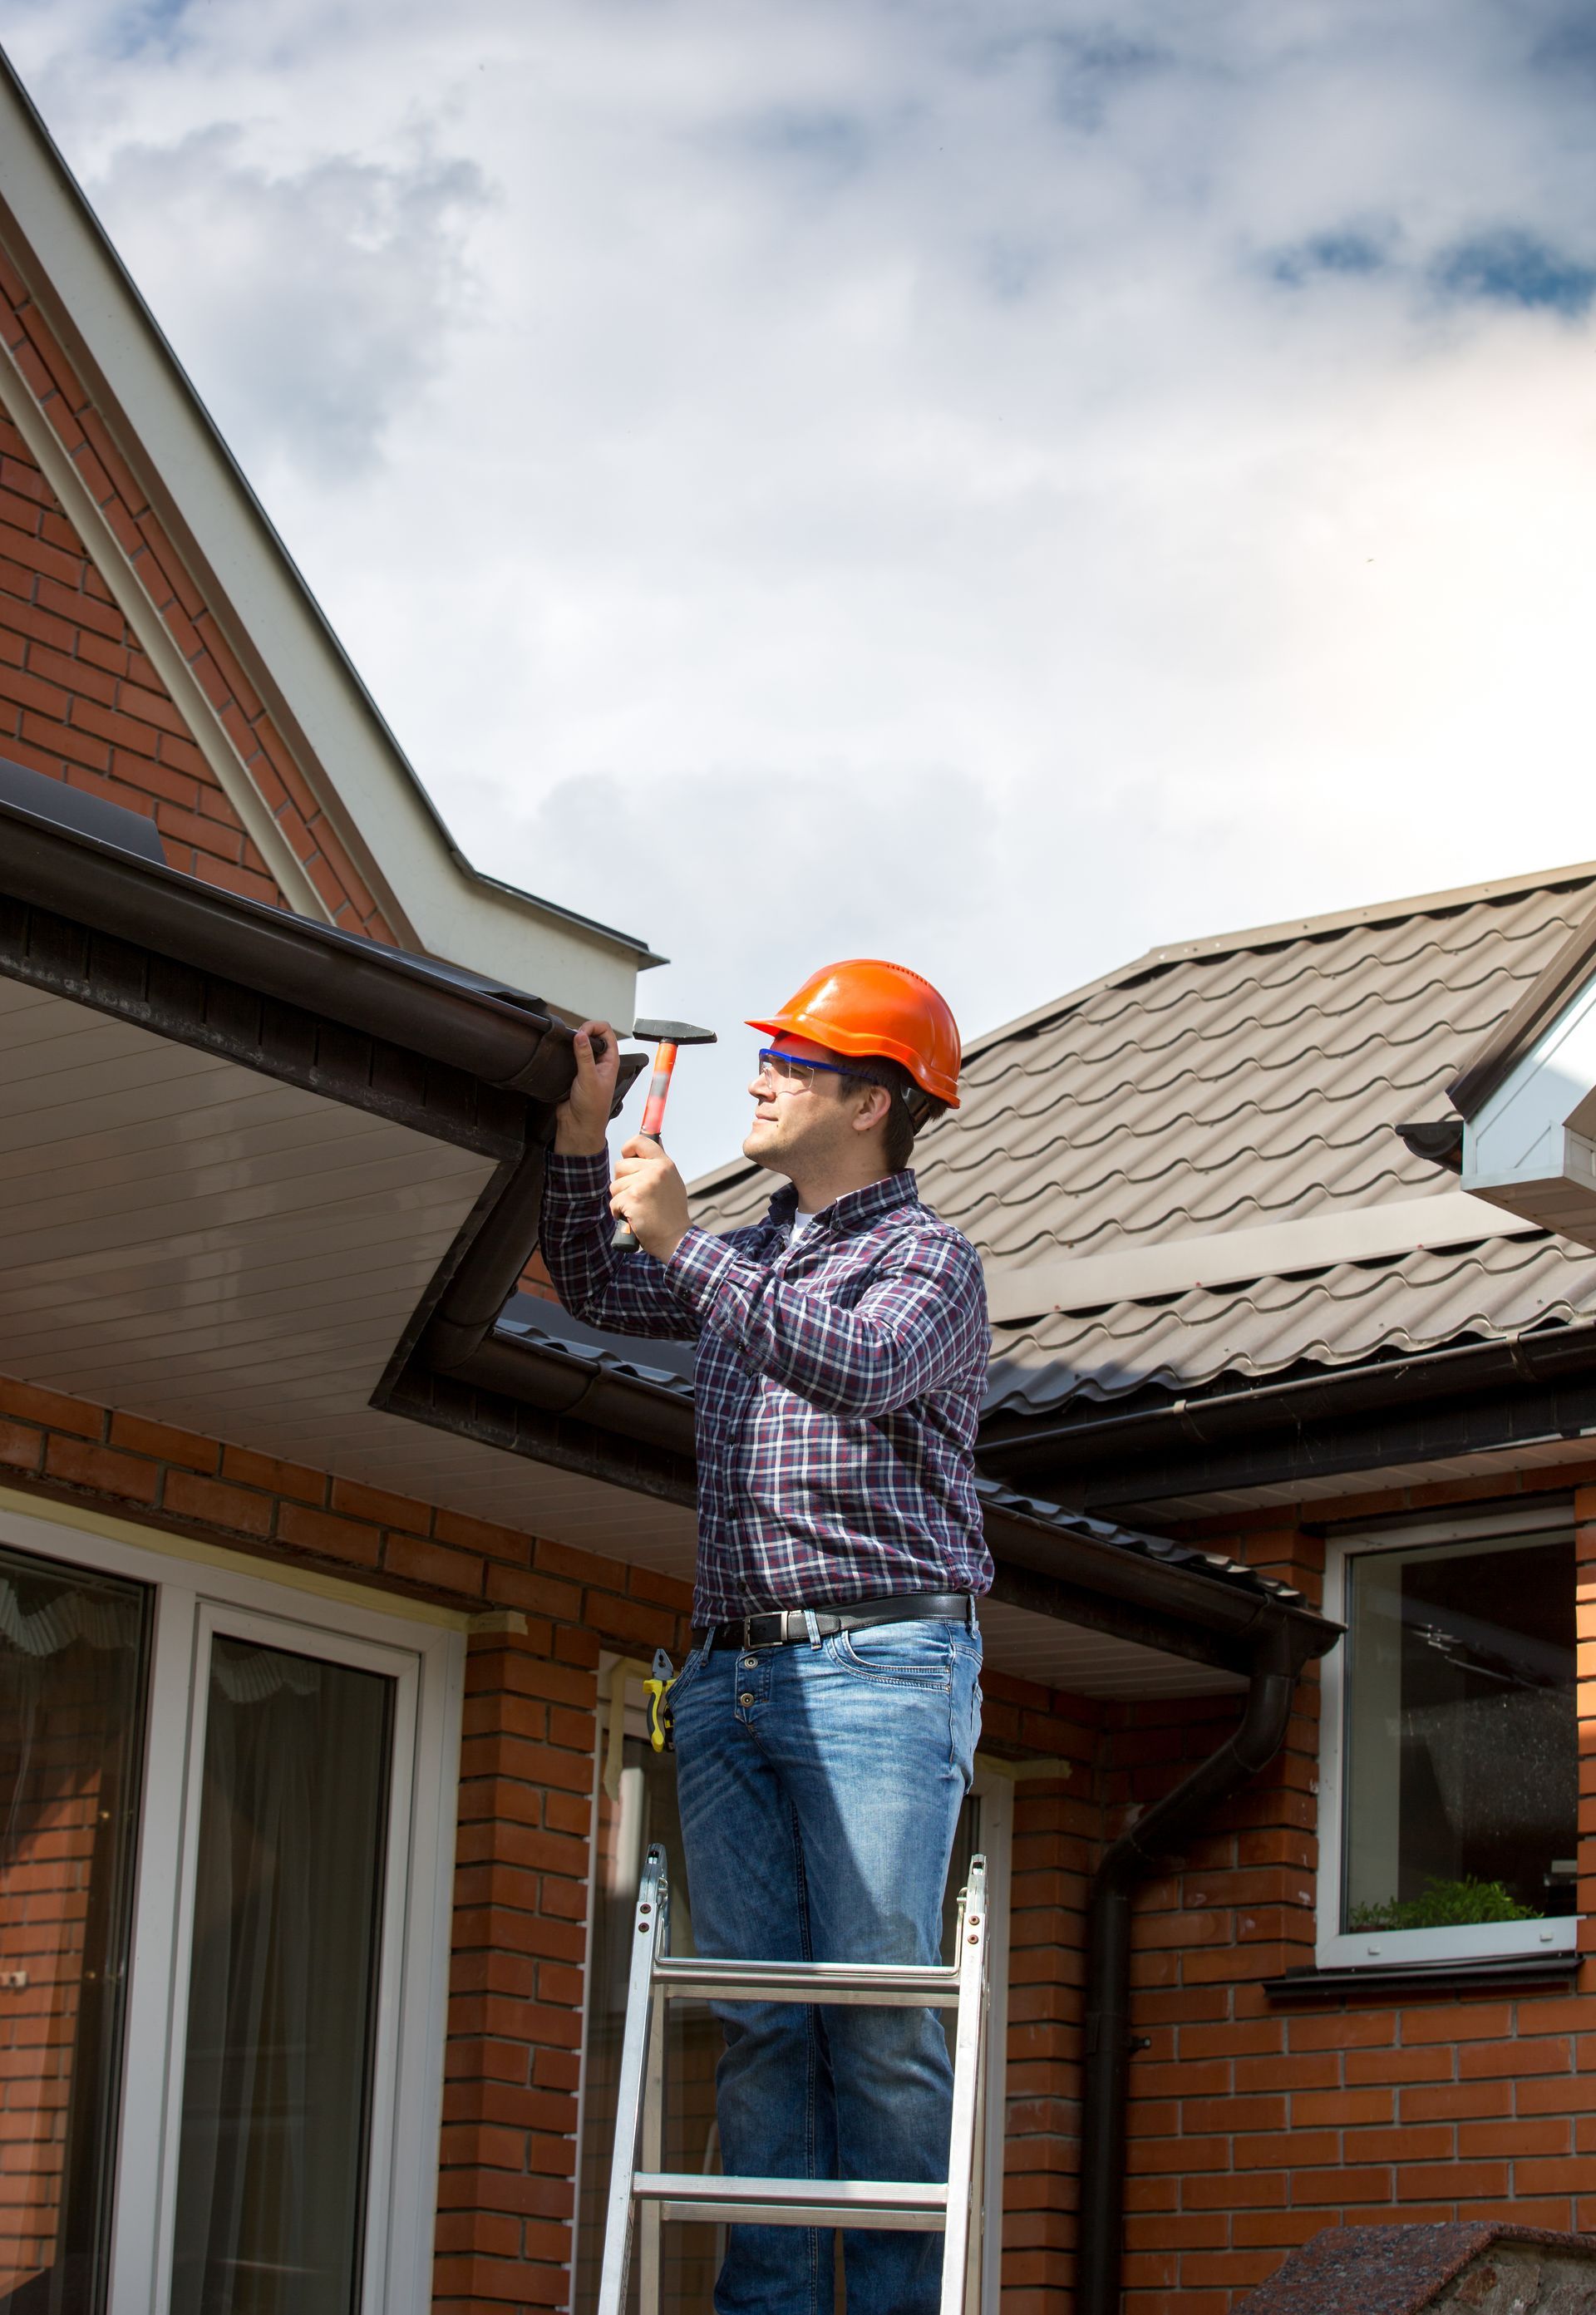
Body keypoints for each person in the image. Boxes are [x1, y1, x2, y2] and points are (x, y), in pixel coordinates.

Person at [542, 958, 992, 2315]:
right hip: (733, 1672)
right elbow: (595, 1288)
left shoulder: (929, 1263)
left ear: (871, 1102)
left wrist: (685, 1248)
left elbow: (852, 1366)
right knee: (760, 2023)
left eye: (792, 1063)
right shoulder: (748, 1253)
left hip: (881, 1666)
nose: (760, 1076)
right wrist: (579, 1146)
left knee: (872, 2017)